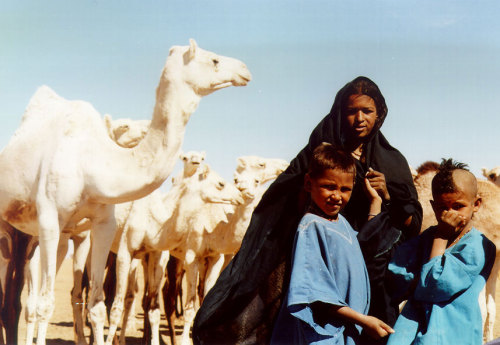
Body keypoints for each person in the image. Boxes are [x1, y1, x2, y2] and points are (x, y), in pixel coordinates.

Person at [193, 76, 422, 345]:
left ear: (379, 114)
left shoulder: (392, 161)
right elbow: (283, 194)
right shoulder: (320, 149)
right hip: (320, 256)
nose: (359, 118)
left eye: (367, 111)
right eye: (351, 111)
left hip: (369, 268)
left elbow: (412, 221)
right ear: (340, 112)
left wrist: (387, 196)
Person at [270, 143, 394, 345]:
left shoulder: (340, 222)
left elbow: (359, 245)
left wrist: (375, 202)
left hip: (342, 330)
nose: (337, 196)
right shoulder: (312, 226)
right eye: (329, 187)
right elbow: (317, 296)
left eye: (345, 189)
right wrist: (363, 321)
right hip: (323, 334)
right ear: (309, 184)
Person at [386, 159, 496, 345]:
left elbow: (434, 286)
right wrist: (416, 284)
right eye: (442, 208)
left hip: (453, 335)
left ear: (476, 204)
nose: (449, 214)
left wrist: (441, 239)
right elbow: (396, 271)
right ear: (432, 205)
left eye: (458, 206)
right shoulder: (427, 237)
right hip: (412, 331)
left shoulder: (477, 247)